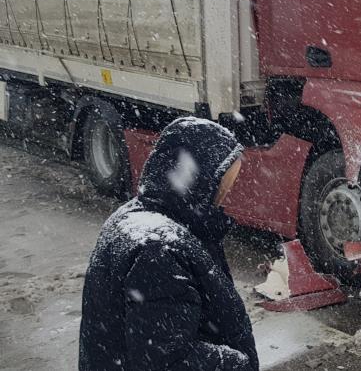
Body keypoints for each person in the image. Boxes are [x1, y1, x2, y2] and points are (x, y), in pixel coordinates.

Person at [79, 117, 258, 370]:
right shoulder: (156, 250)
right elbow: (166, 360)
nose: (222, 199)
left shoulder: (143, 217)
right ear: (200, 181)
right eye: (221, 188)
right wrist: (236, 363)